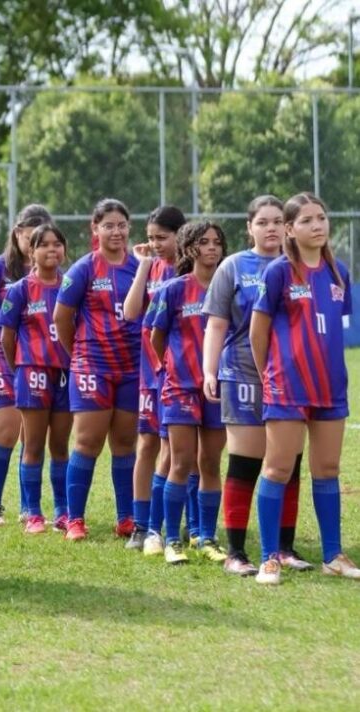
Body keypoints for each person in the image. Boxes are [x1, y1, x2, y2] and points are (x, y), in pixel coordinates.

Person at [249, 192, 355, 585]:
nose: (317, 225)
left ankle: (333, 556)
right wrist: (267, 375)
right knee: (278, 468)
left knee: (327, 469)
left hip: (331, 387)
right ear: (290, 229)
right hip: (287, 386)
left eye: (321, 217)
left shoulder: (339, 272)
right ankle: (269, 558)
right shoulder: (278, 272)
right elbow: (257, 332)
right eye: (307, 220)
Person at [202, 195, 308, 576]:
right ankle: (236, 552)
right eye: (263, 222)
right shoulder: (233, 266)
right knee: (245, 462)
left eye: (278, 221)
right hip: (243, 374)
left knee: (289, 463)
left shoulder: (300, 266)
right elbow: (216, 324)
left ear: (288, 226)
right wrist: (210, 371)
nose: (271, 228)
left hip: (291, 378)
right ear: (249, 228)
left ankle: (284, 548)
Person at [52, 198, 140, 541]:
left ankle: (126, 518)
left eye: (121, 225)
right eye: (108, 226)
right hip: (92, 367)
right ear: (95, 229)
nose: (116, 232)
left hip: (132, 368)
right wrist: (79, 353)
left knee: (125, 442)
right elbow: (61, 318)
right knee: (88, 441)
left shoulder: (139, 267)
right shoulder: (84, 269)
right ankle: (75, 519)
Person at [150, 221, 227, 565]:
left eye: (217, 242)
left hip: (217, 387)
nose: (212, 248)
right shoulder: (174, 289)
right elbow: (156, 336)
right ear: (189, 248)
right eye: (204, 242)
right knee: (181, 462)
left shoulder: (229, 288)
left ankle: (206, 537)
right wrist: (173, 366)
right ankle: (171, 540)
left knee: (210, 463)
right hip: (180, 387)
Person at [0, 205, 50, 526]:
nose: (35, 243)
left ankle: (28, 507)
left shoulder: (53, 271)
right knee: (6, 428)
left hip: (35, 359)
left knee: (30, 435)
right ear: (17, 233)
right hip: (0, 355)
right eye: (30, 235)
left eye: (41, 237)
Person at [0, 222, 71, 534]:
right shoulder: (20, 290)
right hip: (32, 372)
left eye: (57, 244)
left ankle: (63, 511)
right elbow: (6, 337)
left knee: (61, 445)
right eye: (44, 244)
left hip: (66, 373)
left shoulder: (72, 285)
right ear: (32, 251)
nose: (51, 249)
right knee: (33, 445)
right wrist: (21, 368)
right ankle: (33, 513)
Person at [120, 205, 183, 554]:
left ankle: (176, 524)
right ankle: (141, 525)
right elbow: (131, 312)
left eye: (162, 237)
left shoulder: (190, 269)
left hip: (183, 372)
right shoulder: (152, 266)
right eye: (151, 238)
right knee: (146, 445)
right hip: (151, 371)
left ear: (180, 235)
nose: (156, 244)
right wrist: (143, 265)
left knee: (180, 450)